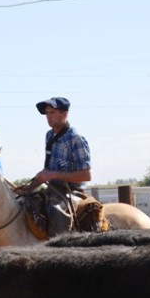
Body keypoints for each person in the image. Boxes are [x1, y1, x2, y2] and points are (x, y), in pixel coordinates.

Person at [20, 97, 92, 236]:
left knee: (56, 211)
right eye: (47, 113)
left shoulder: (76, 139)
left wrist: (53, 175)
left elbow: (86, 175)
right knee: (25, 204)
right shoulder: (49, 136)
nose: (48, 116)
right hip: (53, 190)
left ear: (64, 114)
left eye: (52, 112)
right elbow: (47, 171)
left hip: (72, 192)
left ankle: (60, 250)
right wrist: (29, 188)